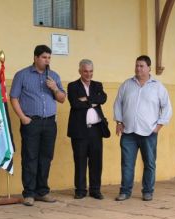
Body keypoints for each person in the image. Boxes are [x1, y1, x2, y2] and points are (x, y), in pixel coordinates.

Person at [10, 45, 66, 206]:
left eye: (49, 57)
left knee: (46, 157)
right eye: (44, 57)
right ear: (35, 58)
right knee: (30, 157)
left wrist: (55, 88)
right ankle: (29, 193)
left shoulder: (54, 76)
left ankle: (43, 191)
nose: (47, 60)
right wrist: (22, 118)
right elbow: (14, 98)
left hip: (49, 122)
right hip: (31, 122)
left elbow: (62, 98)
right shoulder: (22, 75)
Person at [113, 55, 172, 201]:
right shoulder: (126, 85)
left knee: (149, 164)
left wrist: (158, 126)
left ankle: (148, 191)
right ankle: (125, 191)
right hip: (128, 132)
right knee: (127, 164)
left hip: (149, 132)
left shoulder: (158, 87)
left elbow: (167, 107)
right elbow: (118, 103)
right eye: (137, 65)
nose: (138, 68)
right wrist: (119, 122)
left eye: (141, 66)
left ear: (149, 68)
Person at [67, 59, 107, 200]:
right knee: (80, 160)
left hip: (96, 130)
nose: (88, 74)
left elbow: (103, 98)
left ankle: (95, 190)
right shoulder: (72, 86)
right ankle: (80, 190)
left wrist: (86, 99)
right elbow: (75, 103)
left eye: (91, 71)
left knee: (96, 161)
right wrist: (93, 101)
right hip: (79, 130)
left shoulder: (97, 85)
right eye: (85, 71)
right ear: (80, 71)